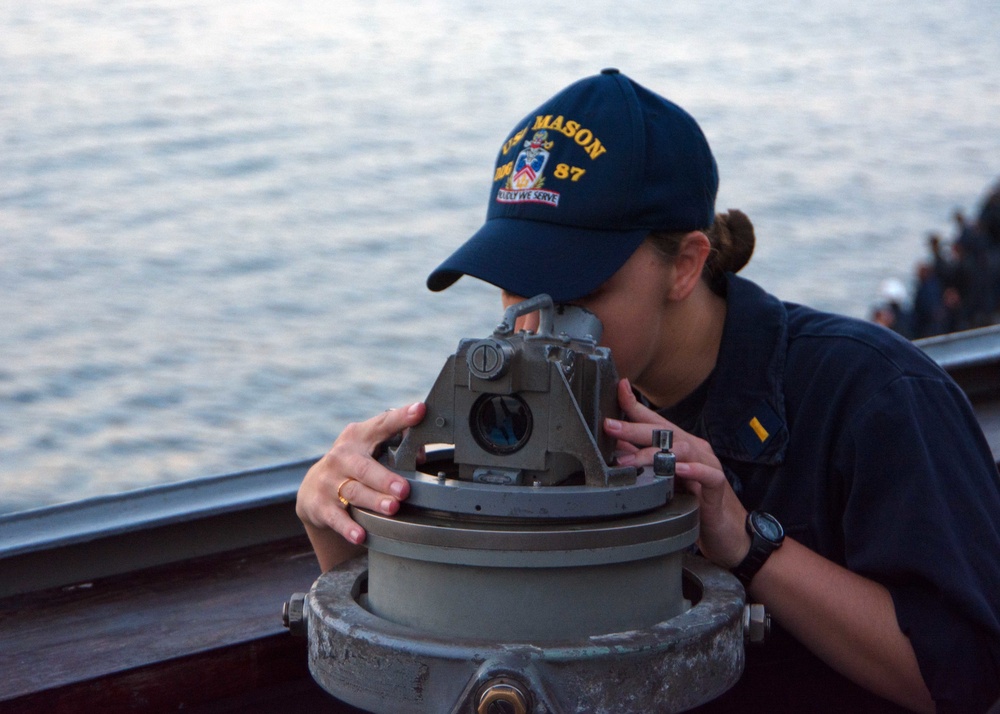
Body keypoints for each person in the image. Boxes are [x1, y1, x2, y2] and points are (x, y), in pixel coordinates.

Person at [296, 70, 1000, 713]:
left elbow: (963, 676)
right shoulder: (513, 419)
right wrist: (347, 523)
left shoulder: (877, 397)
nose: (536, 323)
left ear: (686, 265)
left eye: (580, 287)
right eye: (515, 281)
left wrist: (744, 542)